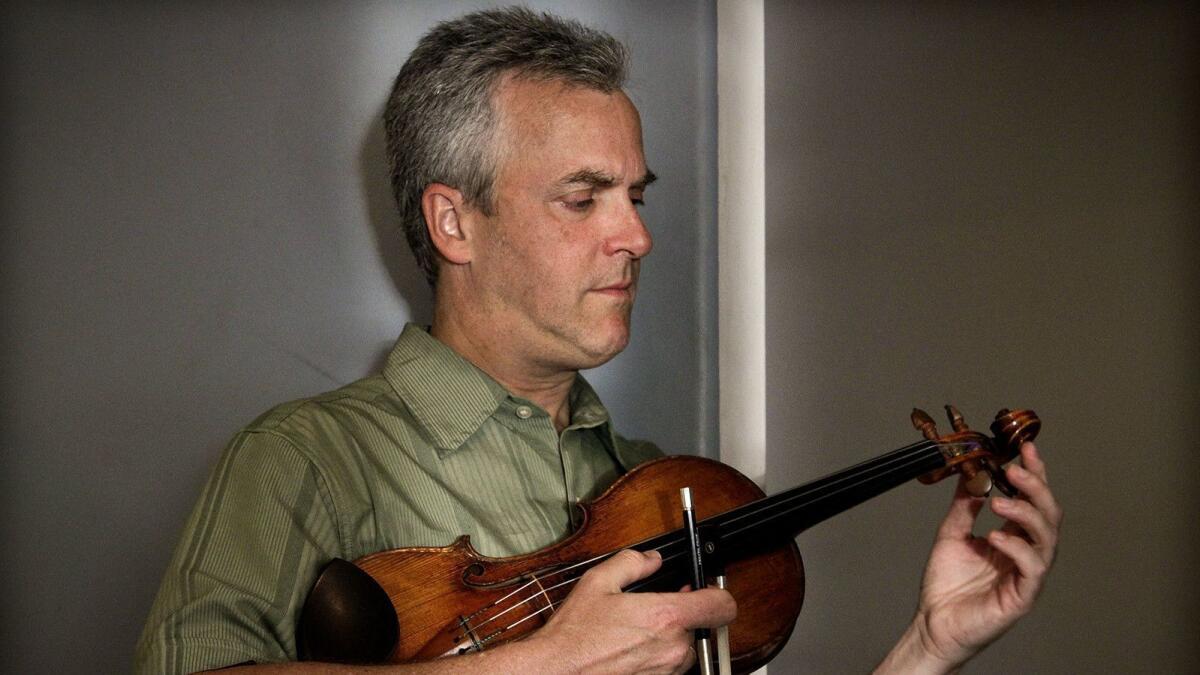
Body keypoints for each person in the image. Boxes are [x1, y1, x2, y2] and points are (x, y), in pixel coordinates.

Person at [135, 7, 1061, 674]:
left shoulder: (660, 490)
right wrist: (536, 665)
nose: (638, 237)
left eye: (636, 196)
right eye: (583, 199)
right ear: (454, 224)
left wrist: (929, 645)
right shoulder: (304, 460)